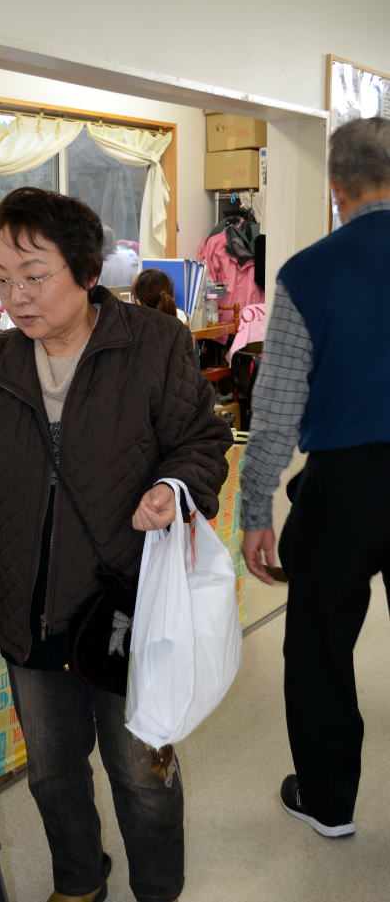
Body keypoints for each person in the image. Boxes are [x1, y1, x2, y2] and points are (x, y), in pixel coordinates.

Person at [0, 186, 232, 902]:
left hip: (129, 604)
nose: (16, 297)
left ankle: (157, 888)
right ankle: (79, 881)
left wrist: (176, 487)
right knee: (53, 772)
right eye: (3, 278)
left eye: (34, 276)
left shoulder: (151, 344)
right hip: (26, 609)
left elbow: (201, 441)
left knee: (142, 771)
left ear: (88, 271)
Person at [240, 117, 390, 839]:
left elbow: (274, 409)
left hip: (343, 487)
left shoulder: (306, 272)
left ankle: (328, 801)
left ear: (336, 190)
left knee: (319, 646)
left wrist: (254, 510)